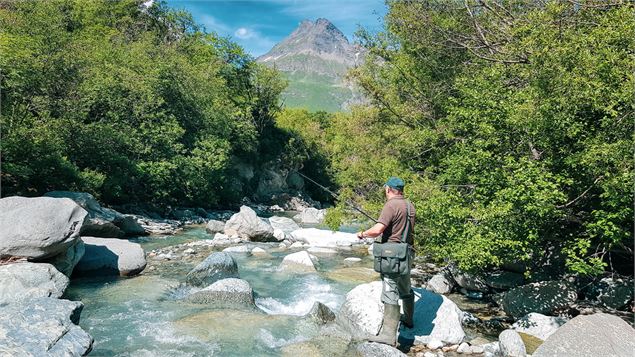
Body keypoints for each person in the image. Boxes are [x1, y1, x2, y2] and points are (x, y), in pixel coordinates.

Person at [356, 176, 416, 346]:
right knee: (405, 286)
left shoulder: (391, 205)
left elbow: (378, 230)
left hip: (392, 255)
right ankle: (409, 320)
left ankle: (388, 336)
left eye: (385, 189)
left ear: (388, 189)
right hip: (407, 253)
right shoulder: (410, 206)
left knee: (390, 289)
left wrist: (362, 233)